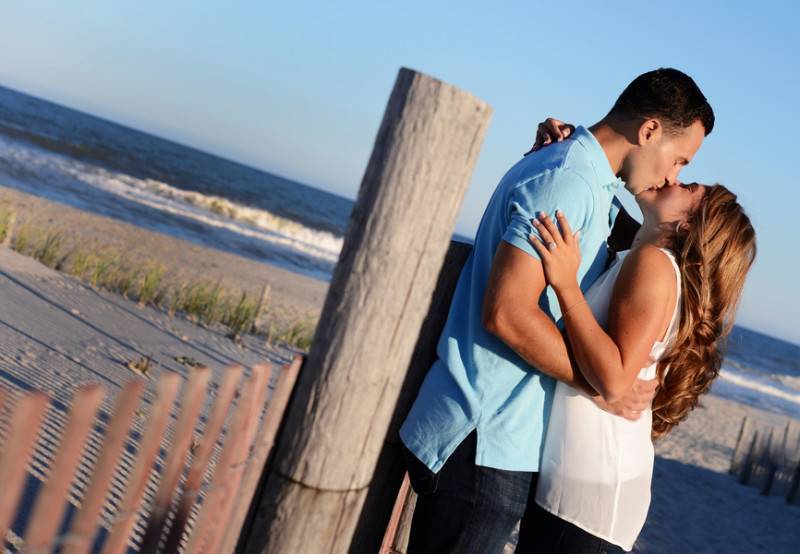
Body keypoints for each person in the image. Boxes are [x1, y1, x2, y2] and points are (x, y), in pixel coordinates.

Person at [398, 67, 714, 553]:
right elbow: (506, 311)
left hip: (503, 440)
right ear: (649, 130)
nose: (674, 175)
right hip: (484, 435)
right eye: (679, 160)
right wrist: (602, 383)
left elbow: (653, 245)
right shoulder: (567, 181)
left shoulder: (591, 183)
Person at [520, 181, 756, 552]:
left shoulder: (655, 265)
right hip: (586, 488)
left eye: (689, 187)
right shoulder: (650, 262)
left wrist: (566, 285)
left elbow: (614, 380)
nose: (673, 179)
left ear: (688, 225)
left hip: (589, 493)